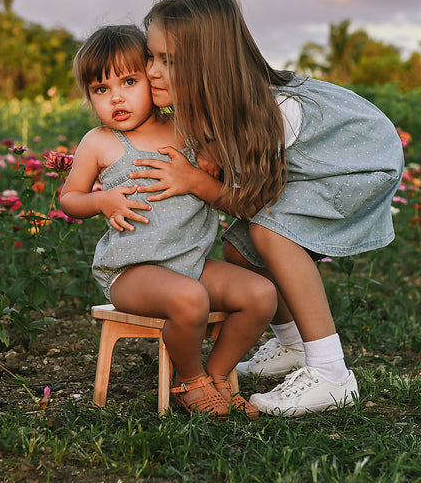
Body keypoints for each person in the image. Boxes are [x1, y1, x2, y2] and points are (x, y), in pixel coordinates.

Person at [131, 0, 404, 416]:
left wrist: (197, 182)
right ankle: (293, 347)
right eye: (151, 56)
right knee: (241, 248)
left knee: (269, 232)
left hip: (361, 164)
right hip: (322, 164)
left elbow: (249, 201)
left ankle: (332, 375)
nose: (152, 71)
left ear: (211, 67)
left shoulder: (270, 113)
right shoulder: (210, 107)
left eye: (170, 61)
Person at [59, 24, 277, 418]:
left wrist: (212, 165)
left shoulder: (189, 130)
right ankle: (190, 380)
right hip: (132, 272)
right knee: (190, 299)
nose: (117, 97)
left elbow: (225, 179)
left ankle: (215, 375)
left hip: (190, 264)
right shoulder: (100, 142)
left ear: (153, 80)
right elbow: (68, 199)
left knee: (261, 295)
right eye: (101, 89)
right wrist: (101, 200)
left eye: (129, 81)